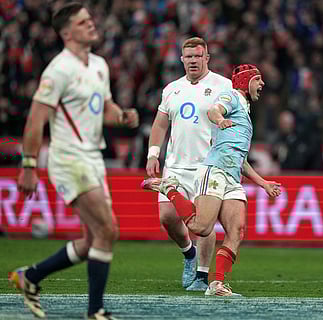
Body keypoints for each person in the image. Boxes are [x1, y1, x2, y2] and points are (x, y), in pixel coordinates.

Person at [8, 3, 139, 320]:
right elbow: (36, 120)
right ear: (67, 32)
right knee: (108, 230)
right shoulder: (58, 69)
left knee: (94, 238)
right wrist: (29, 166)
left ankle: (31, 277)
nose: (91, 25)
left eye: (91, 20)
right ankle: (96, 312)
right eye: (83, 23)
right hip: (69, 158)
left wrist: (122, 115)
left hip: (93, 157)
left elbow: (104, 107)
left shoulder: (99, 65)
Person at [142, 64, 281, 296]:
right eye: (258, 79)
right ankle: (170, 188)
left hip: (232, 177)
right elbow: (213, 110)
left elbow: (241, 160)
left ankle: (216, 284)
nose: (262, 84)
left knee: (236, 231)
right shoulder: (232, 96)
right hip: (214, 171)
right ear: (246, 82)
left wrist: (264, 183)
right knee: (201, 227)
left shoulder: (245, 111)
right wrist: (219, 120)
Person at [145, 37, 231, 291]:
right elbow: (161, 123)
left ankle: (203, 276)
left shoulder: (222, 86)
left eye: (198, 56)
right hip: (175, 166)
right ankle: (188, 253)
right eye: (189, 57)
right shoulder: (172, 88)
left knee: (205, 225)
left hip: (208, 166)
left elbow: (234, 120)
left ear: (207, 58)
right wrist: (152, 154)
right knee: (168, 218)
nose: (193, 60)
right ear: (182, 59)